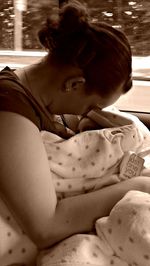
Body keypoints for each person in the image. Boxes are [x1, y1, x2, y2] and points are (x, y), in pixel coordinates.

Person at [0, 0, 150, 250]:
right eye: (91, 106)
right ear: (74, 84)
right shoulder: (10, 115)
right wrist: (139, 186)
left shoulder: (46, 102)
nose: (89, 115)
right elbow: (46, 227)